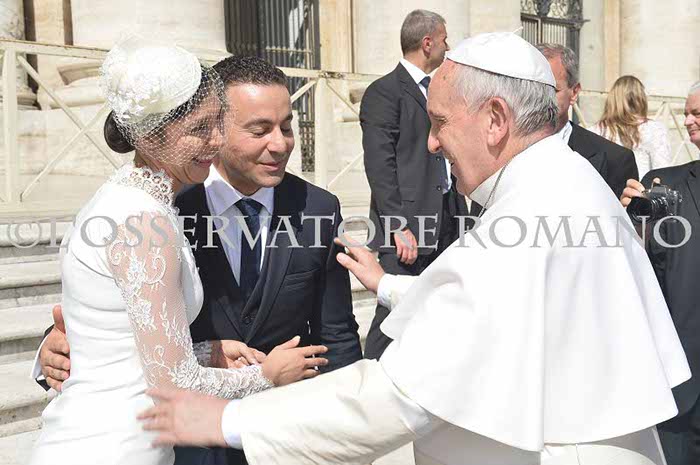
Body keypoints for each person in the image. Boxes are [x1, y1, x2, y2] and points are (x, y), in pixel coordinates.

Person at [139, 32, 690, 465]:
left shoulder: (531, 211)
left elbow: (398, 397)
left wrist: (227, 421)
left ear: (496, 120)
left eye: (440, 122)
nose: (431, 142)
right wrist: (388, 285)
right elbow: (497, 308)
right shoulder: (564, 181)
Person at [34, 55, 362, 465]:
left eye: (287, 126)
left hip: (279, 440)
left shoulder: (319, 208)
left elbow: (337, 335)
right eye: (259, 129)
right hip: (178, 444)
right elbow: (110, 314)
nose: (280, 144)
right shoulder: (161, 207)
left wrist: (351, 433)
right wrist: (56, 347)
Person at [360, 9, 468, 360]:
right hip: (408, 226)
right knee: (392, 316)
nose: (448, 47)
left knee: (437, 310)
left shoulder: (439, 91)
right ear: (428, 43)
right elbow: (380, 166)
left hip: (447, 219)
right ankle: (369, 375)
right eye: (445, 40)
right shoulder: (384, 92)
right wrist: (398, 225)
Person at [620, 81, 700, 465]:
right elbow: (640, 271)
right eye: (686, 113)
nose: (688, 121)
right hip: (685, 387)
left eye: (697, 113)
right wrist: (628, 224)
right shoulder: (667, 185)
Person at [537, 43, 639, 199]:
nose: (539, 98)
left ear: (574, 93)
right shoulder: (501, 151)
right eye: (534, 88)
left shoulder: (615, 161)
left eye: (552, 90)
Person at [590, 75, 672, 179]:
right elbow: (663, 172)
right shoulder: (654, 129)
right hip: (640, 187)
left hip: (606, 188)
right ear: (641, 99)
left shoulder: (594, 131)